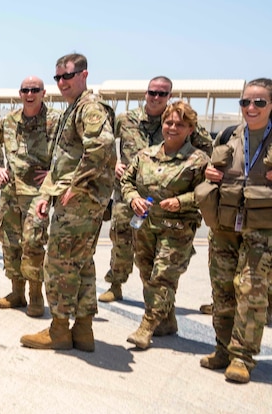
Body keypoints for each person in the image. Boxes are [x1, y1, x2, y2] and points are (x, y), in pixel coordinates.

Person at [21, 53, 115, 352]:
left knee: (59, 264)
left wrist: (78, 185)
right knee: (82, 263)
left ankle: (60, 328)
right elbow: (66, 161)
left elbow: (101, 145)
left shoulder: (89, 107)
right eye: (58, 77)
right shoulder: (75, 108)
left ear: (84, 75)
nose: (62, 82)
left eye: (68, 76)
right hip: (79, 200)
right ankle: (84, 329)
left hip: (79, 203)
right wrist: (50, 191)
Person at [100, 76, 213, 303]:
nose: (156, 97)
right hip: (128, 193)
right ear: (146, 93)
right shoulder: (126, 119)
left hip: (165, 200)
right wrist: (113, 163)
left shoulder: (176, 122)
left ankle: (157, 296)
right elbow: (103, 141)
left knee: (158, 250)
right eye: (152, 92)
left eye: (162, 94)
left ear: (169, 96)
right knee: (121, 239)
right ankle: (116, 283)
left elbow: (206, 147)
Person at [200, 78, 272, 384]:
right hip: (226, 225)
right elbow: (211, 172)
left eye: (259, 103)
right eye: (245, 102)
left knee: (251, 290)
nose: (251, 108)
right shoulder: (229, 136)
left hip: (262, 229)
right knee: (223, 290)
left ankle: (243, 357)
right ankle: (223, 349)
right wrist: (209, 173)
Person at [120, 101, 208, 349]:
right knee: (147, 273)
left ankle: (147, 325)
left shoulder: (198, 160)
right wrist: (133, 198)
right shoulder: (145, 154)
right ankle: (167, 321)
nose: (172, 127)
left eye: (180, 124)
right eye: (169, 122)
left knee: (162, 277)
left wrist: (182, 201)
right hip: (146, 225)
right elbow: (127, 181)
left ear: (190, 128)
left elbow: (207, 193)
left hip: (177, 229)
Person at [0, 76, 59, 318]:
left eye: (34, 90)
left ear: (43, 93)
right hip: (11, 192)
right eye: (25, 89)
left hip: (38, 195)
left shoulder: (55, 121)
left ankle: (36, 295)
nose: (30, 93)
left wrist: (54, 173)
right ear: (20, 93)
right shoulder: (9, 121)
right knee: (9, 241)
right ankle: (17, 292)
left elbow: (70, 151)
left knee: (34, 242)